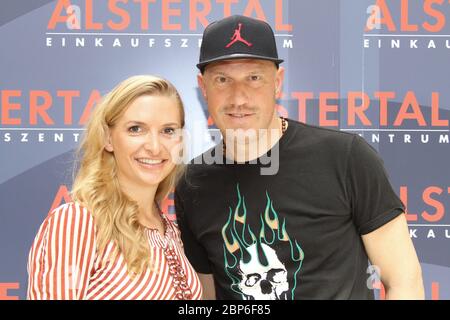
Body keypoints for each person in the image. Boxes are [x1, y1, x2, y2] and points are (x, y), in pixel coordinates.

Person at [175, 15, 424, 300]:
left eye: (254, 78)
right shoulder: (192, 183)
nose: (238, 97)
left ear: (277, 82)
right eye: (222, 80)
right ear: (203, 87)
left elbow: (404, 280)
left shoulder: (345, 158)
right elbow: (209, 295)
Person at [27, 75, 203, 300]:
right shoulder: (77, 222)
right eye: (136, 129)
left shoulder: (170, 231)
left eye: (168, 130)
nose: (155, 147)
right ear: (108, 139)